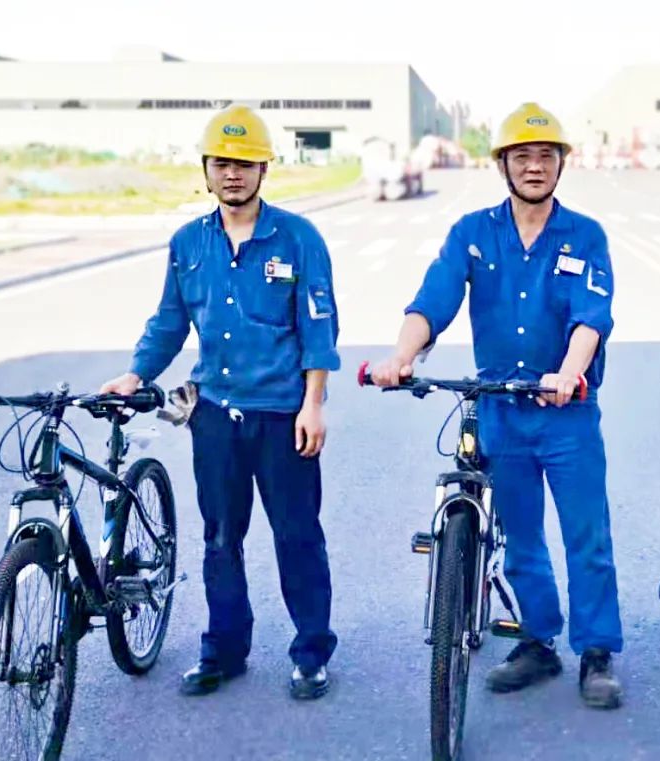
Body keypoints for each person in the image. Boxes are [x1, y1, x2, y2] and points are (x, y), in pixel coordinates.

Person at [369, 102, 623, 710]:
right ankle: (538, 640)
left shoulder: (585, 234)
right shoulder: (473, 233)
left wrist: (568, 372)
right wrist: (401, 355)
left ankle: (596, 651)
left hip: (566, 410)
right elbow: (433, 300)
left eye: (546, 156)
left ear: (560, 164)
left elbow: (592, 316)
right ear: (503, 165)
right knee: (523, 536)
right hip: (500, 410)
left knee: (587, 535)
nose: (535, 166)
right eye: (522, 156)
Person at [100, 103, 340, 701]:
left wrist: (313, 404)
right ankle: (225, 650)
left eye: (244, 163)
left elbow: (318, 330)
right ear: (206, 171)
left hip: (283, 417)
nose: (233, 174)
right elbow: (169, 322)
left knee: (297, 537)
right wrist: (135, 374)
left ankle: (311, 653)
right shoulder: (188, 243)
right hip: (215, 417)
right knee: (220, 538)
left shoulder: (298, 239)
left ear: (264, 170)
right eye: (221, 163)